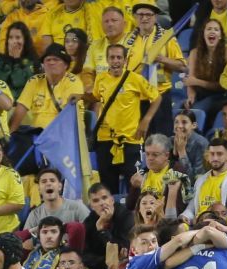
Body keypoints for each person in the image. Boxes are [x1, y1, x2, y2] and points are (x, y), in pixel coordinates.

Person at [92, 44, 160, 194]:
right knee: (108, 190)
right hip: (105, 141)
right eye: (112, 57)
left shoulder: (135, 79)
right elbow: (97, 99)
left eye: (119, 57)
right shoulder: (100, 79)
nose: (115, 61)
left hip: (130, 140)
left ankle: (135, 216)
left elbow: (156, 98)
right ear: (107, 59)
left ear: (125, 60)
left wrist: (146, 120)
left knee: (135, 186)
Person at [124, 2, 186, 136]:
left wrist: (162, 59)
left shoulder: (166, 38)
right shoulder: (127, 40)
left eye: (148, 15)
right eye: (140, 14)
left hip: (160, 96)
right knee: (137, 140)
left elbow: (182, 67)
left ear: (155, 17)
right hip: (135, 98)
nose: (144, 18)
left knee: (161, 140)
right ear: (134, 17)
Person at [10, 43, 84, 132]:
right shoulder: (34, 81)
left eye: (56, 60)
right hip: (38, 136)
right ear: (43, 65)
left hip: (64, 134)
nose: (51, 62)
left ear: (65, 65)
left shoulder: (73, 82)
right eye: (48, 60)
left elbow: (70, 115)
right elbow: (21, 109)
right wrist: (10, 135)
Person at [184, 19, 227, 131]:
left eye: (216, 29)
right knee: (181, 109)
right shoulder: (194, 53)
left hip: (220, 95)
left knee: (196, 112)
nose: (212, 31)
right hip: (200, 94)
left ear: (220, 36)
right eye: (209, 29)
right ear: (203, 34)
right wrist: (190, 96)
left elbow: (224, 85)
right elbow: (190, 80)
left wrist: (197, 82)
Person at [181, 139, 227, 221]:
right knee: (179, 227)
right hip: (198, 225)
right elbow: (191, 208)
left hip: (220, 226)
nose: (215, 158)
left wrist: (212, 220)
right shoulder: (200, 180)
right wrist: (185, 216)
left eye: (219, 154)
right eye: (212, 154)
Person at [23, 168, 89, 239]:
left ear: (60, 186)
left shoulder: (78, 208)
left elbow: (91, 233)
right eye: (44, 181)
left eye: (52, 180)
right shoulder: (34, 215)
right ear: (39, 189)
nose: (48, 183)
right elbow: (24, 240)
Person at [80, 6, 128, 101]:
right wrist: (89, 86)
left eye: (114, 20)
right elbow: (87, 72)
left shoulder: (134, 43)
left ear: (124, 24)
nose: (110, 24)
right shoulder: (95, 45)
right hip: (101, 96)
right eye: (106, 21)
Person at [0, 22, 39, 100]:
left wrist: (16, 61)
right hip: (4, 102)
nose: (14, 41)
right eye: (10, 37)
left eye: (18, 37)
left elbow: (18, 82)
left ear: (25, 40)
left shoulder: (32, 60)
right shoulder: (2, 60)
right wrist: (8, 61)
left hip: (24, 103)